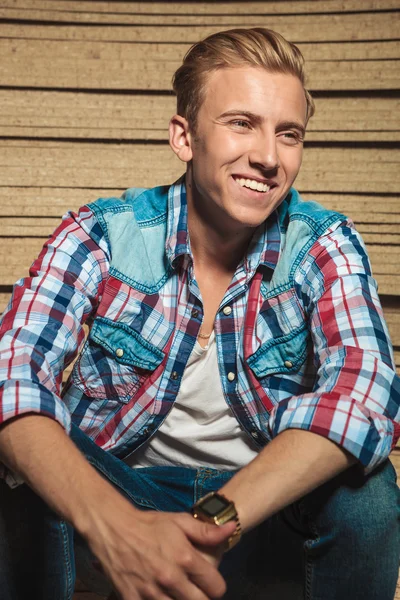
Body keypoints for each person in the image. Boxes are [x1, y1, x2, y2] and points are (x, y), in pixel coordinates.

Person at [0, 27, 399, 600]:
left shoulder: (322, 244)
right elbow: (11, 377)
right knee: (20, 456)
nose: (267, 157)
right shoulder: (100, 235)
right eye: (241, 123)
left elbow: (363, 395)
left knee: (371, 491)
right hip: (118, 505)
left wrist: (214, 520)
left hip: (260, 517)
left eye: (288, 134)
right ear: (184, 137)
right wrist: (119, 530)